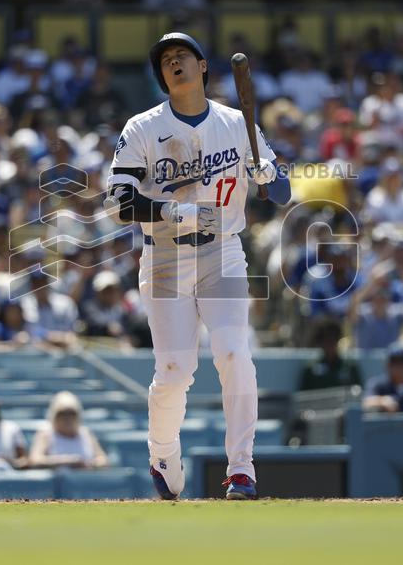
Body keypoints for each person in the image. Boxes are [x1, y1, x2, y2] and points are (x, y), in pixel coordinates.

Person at [104, 32, 291, 501]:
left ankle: (242, 469)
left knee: (234, 353)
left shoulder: (236, 122)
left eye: (182, 56)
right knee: (173, 368)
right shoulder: (143, 126)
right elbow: (119, 201)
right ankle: (163, 452)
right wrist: (167, 211)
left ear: (202, 65)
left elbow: (283, 193)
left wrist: (270, 175)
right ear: (162, 75)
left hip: (222, 249)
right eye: (166, 60)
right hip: (165, 256)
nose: (174, 64)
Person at [28, 391, 107, 469]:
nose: (67, 418)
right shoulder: (45, 434)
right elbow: (35, 460)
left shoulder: (86, 433)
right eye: (62, 414)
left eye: (72, 413)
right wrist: (67, 461)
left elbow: (102, 459)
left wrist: (91, 463)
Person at [299, 319, 361, 391]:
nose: (330, 345)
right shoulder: (310, 369)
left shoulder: (350, 367)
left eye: (333, 340)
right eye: (326, 341)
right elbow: (303, 397)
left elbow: (358, 393)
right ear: (320, 343)